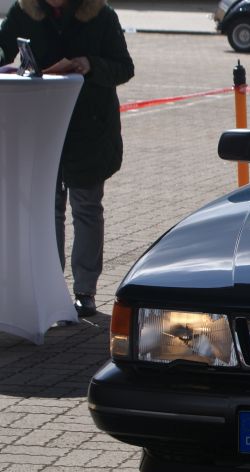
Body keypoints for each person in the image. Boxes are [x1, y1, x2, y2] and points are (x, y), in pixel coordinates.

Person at [0, 0, 134, 317]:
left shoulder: (101, 14)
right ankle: (51, 288)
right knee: (48, 209)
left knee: (86, 207)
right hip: (42, 124)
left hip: (90, 128)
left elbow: (124, 67)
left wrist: (91, 64)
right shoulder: (24, 11)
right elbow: (3, 50)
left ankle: (85, 291)